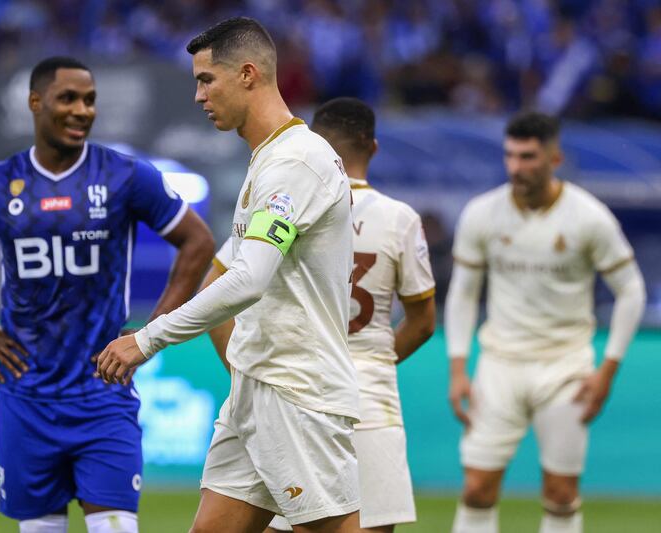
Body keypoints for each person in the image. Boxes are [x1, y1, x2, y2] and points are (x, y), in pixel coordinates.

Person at [0, 56, 214, 533]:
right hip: (27, 396)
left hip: (104, 392)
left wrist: (152, 335)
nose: (82, 110)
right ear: (35, 103)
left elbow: (198, 241)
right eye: (68, 98)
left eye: (90, 100)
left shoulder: (123, 175)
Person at [96, 17, 361, 533]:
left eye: (205, 79)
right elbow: (228, 271)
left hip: (298, 392)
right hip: (255, 388)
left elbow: (247, 280)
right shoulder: (267, 160)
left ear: (246, 74)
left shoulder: (296, 164)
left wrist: (147, 341)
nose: (198, 95)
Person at [232, 97, 432, 533]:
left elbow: (225, 283)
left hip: (298, 379)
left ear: (316, 141)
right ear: (373, 147)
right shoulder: (400, 219)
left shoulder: (284, 193)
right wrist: (378, 360)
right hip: (369, 392)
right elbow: (423, 321)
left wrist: (238, 363)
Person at [446, 111, 646, 533]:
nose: (517, 167)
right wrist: (458, 368)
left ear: (554, 158)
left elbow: (632, 291)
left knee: (560, 495)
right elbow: (464, 292)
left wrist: (607, 370)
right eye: (510, 156)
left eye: (528, 157)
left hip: (565, 367)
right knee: (477, 488)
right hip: (499, 365)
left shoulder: (589, 218)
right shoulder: (482, 213)